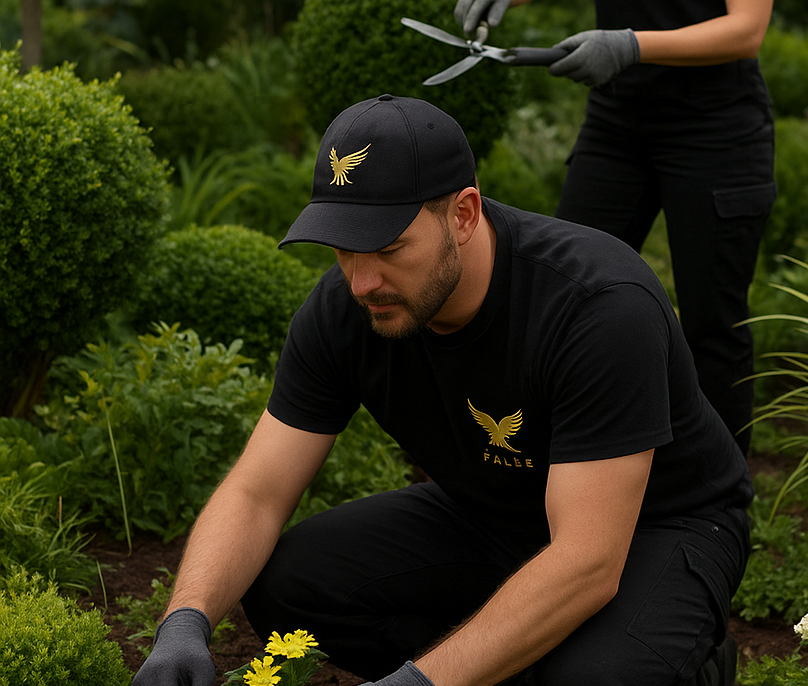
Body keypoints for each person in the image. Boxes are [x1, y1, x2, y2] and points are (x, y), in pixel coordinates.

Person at [132, 94, 753, 686]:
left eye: (388, 247)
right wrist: (184, 623)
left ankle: (679, 665)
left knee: (593, 679)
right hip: (492, 513)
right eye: (344, 248)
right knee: (289, 586)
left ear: (463, 215)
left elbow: (589, 560)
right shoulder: (346, 309)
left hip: (657, 526)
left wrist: (416, 682)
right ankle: (509, 661)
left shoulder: (597, 306)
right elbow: (257, 492)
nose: (362, 281)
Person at [455, 0, 776, 455]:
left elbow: (746, 30)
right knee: (557, 296)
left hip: (715, 128)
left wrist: (630, 45)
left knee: (712, 324)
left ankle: (720, 489)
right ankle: (542, 471)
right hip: (617, 123)